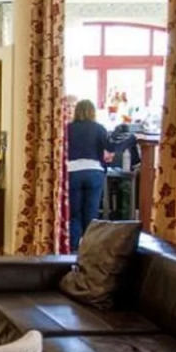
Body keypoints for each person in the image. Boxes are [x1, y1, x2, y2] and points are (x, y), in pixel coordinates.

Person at [67, 99, 113, 251]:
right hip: (94, 171)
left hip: (73, 172)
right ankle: (90, 248)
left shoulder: (68, 128)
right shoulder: (100, 129)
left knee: (74, 213)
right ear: (93, 112)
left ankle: (73, 247)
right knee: (91, 212)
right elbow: (107, 150)